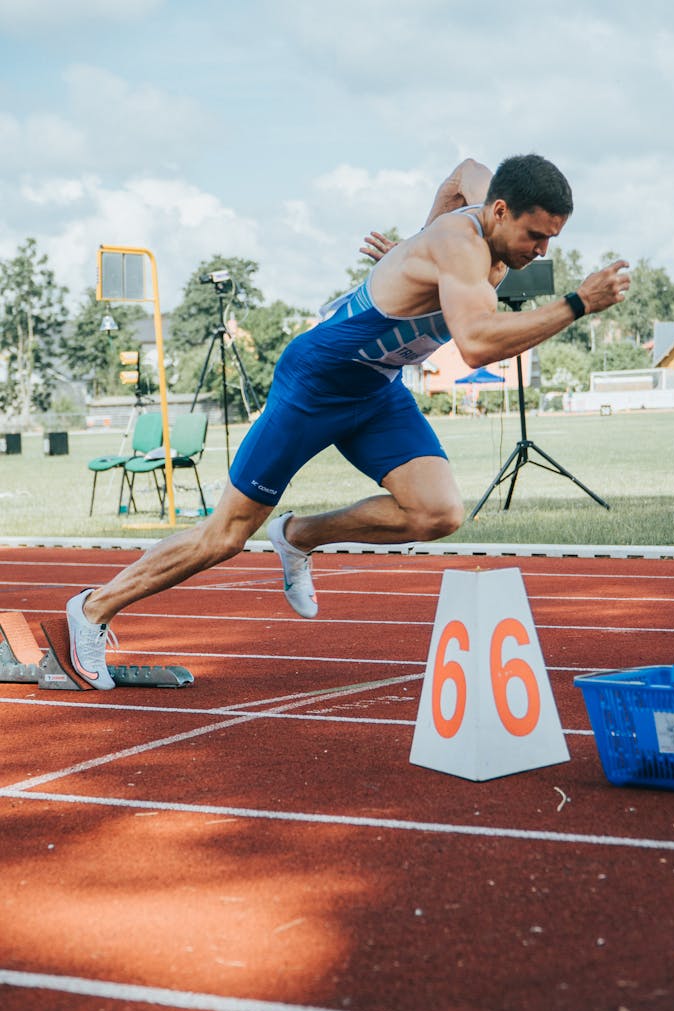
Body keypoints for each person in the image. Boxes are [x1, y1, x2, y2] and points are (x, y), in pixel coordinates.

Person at [67, 154, 630, 689]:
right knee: (226, 536)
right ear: (501, 211)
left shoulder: (488, 194)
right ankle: (91, 609)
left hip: (377, 388)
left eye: (553, 237)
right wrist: (578, 303)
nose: (542, 249)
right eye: (535, 236)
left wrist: (408, 250)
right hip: (314, 384)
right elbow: (478, 344)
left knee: (437, 512)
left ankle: (297, 536)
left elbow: (464, 170)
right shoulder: (461, 248)